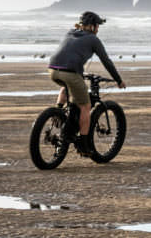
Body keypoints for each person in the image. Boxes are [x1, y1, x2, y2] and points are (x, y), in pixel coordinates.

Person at [48, 11, 126, 155]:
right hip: (70, 73)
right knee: (85, 106)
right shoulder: (93, 39)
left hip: (53, 70)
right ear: (91, 26)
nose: (98, 30)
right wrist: (118, 80)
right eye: (97, 26)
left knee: (66, 88)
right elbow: (106, 61)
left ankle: (58, 113)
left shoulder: (71, 32)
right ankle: (83, 144)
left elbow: (69, 53)